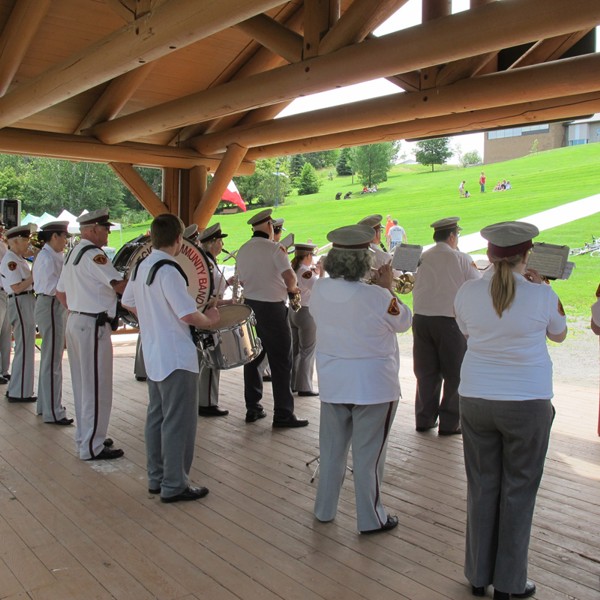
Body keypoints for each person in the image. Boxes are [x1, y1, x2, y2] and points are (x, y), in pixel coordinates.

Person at [454, 221, 567, 600]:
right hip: (527, 401)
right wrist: (544, 289)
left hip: (476, 397)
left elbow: (469, 332)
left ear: (488, 255)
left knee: (482, 485)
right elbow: (560, 333)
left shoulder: (467, 292)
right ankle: (509, 582)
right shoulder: (540, 295)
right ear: (527, 255)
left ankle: (477, 573)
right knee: (519, 491)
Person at [311, 224, 412, 533]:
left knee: (331, 453)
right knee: (369, 459)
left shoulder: (318, 290)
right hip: (373, 388)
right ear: (364, 263)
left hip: (333, 383)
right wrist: (387, 288)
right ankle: (372, 518)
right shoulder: (377, 296)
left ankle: (324, 510)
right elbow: (404, 321)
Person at [122, 214, 219, 502]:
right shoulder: (169, 270)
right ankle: (175, 484)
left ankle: (157, 477)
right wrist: (210, 319)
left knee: (157, 417)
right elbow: (188, 314)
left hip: (153, 353)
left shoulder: (141, 266)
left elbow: (127, 302)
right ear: (179, 240)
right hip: (176, 356)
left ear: (152, 237)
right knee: (179, 422)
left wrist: (153, 318)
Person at [56, 209, 126, 460]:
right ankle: (92, 446)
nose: (108, 232)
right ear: (93, 229)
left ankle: (88, 436)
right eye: (105, 228)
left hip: (76, 320)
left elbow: (60, 292)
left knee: (83, 384)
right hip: (92, 326)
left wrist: (79, 308)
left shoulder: (72, 253)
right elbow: (119, 286)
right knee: (97, 385)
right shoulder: (95, 255)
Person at [236, 209, 308, 428]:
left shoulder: (243, 249)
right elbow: (289, 277)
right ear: (269, 225)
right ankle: (283, 413)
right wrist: (294, 289)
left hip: (250, 308)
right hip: (273, 309)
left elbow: (241, 281)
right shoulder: (276, 249)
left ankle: (253, 407)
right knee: (281, 361)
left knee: (253, 358)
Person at [412, 217, 481, 435]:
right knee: (455, 373)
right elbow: (476, 283)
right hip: (449, 320)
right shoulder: (460, 257)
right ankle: (450, 423)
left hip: (422, 319)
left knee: (426, 372)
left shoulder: (422, 256)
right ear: (452, 236)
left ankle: (424, 418)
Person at [33, 221, 73, 425]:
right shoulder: (47, 257)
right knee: (52, 359)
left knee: (51, 357)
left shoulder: (52, 255)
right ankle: (53, 411)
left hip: (52, 304)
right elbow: (52, 287)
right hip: (50, 304)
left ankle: (45, 405)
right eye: (64, 237)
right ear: (54, 237)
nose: (66, 241)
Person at [0, 224, 37, 402]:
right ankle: (19, 391)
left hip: (25, 300)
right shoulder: (11, 261)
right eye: (25, 241)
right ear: (15, 242)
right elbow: (17, 287)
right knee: (23, 347)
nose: (28, 244)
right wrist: (35, 275)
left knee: (26, 346)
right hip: (19, 300)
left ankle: (19, 387)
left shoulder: (18, 259)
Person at [197, 222, 230, 417]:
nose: (222, 245)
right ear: (213, 242)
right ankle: (207, 402)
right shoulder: (207, 263)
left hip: (208, 311)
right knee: (211, 358)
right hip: (209, 314)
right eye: (220, 241)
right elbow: (211, 291)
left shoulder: (207, 261)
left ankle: (206, 399)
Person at [289, 243, 322, 397]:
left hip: (293, 311)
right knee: (307, 351)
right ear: (308, 256)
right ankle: (304, 386)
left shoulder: (293, 268)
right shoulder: (305, 272)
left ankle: (293, 382)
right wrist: (321, 272)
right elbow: (319, 288)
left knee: (295, 350)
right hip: (306, 312)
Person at [0, 220, 12, 384]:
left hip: (6, 292)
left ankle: (4, 369)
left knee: (5, 333)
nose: (2, 228)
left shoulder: (3, 245)